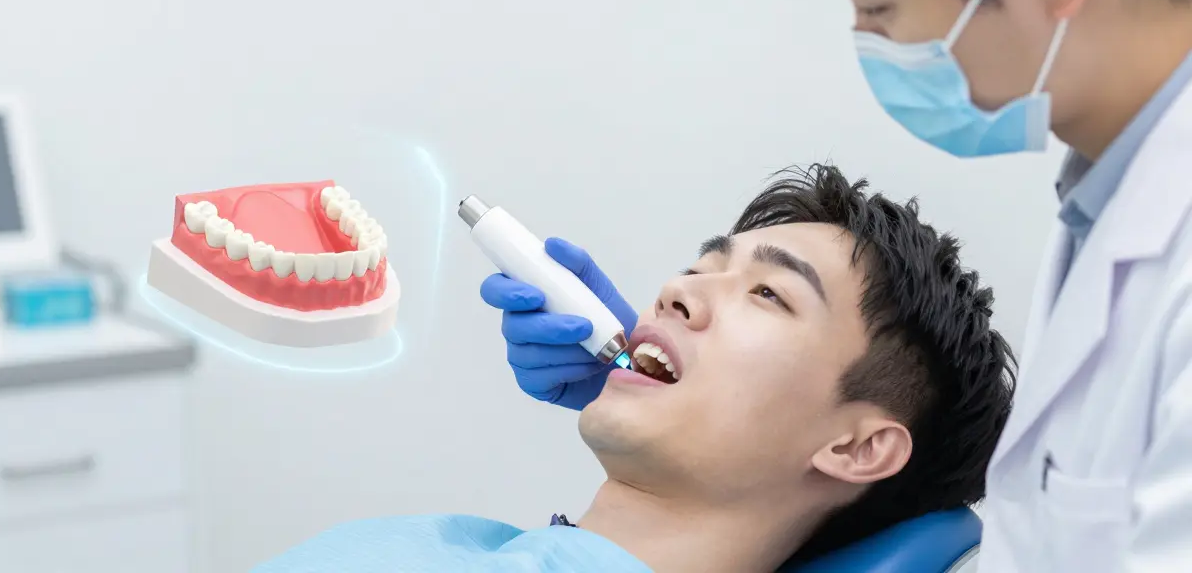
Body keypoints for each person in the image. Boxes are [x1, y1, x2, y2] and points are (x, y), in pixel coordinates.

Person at [490, 0, 1192, 570]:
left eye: (878, 5)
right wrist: (663, 398)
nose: (676, 292)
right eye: (700, 269)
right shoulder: (1107, 213)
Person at [257, 164, 1015, 572]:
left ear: (856, 446)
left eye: (768, 294)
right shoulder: (449, 543)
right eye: (702, 266)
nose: (677, 291)